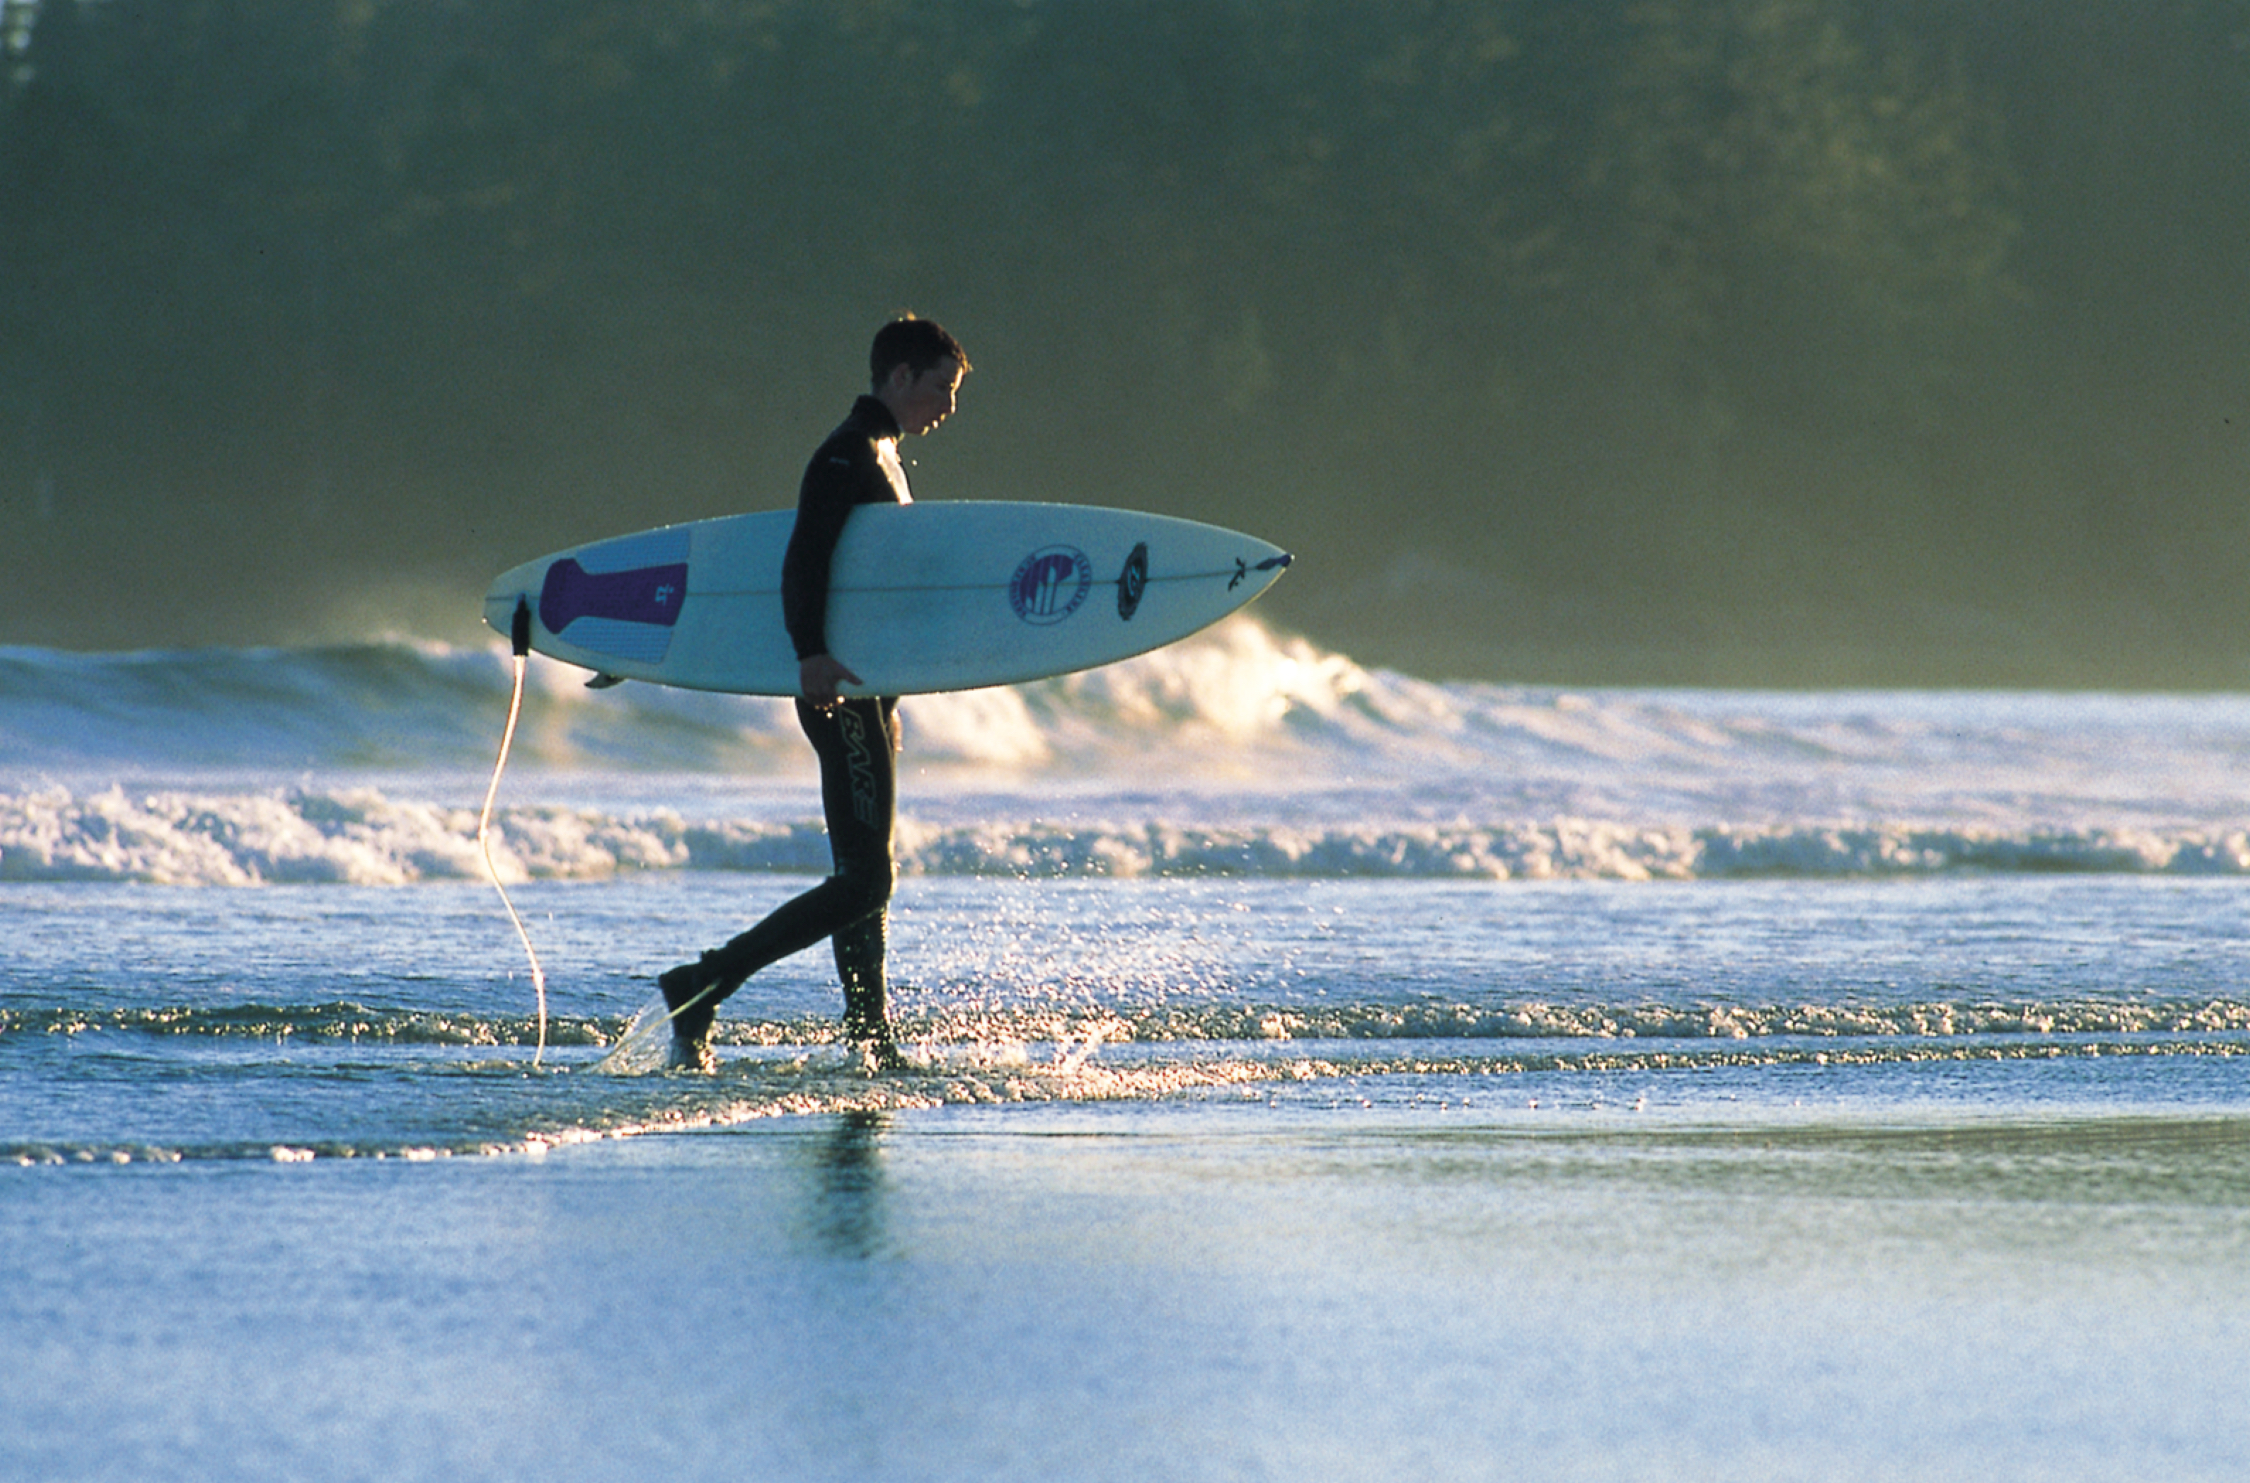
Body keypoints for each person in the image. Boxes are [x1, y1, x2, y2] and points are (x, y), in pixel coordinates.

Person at [657, 315, 969, 1072]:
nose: (949, 406)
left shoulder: (885, 455)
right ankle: (703, 980)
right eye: (941, 387)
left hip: (869, 692)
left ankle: (870, 1036)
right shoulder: (847, 455)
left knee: (865, 874)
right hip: (839, 688)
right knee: (868, 877)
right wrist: (811, 655)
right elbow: (805, 560)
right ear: (899, 375)